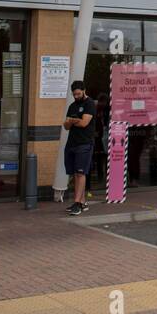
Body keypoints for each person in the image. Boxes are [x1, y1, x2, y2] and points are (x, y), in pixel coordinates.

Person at [62, 81, 96, 215]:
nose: (76, 96)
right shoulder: (72, 106)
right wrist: (71, 121)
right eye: (74, 94)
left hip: (84, 143)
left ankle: (77, 203)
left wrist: (73, 121)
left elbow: (84, 123)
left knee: (81, 173)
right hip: (72, 143)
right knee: (75, 173)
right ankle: (82, 202)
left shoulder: (89, 104)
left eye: (78, 94)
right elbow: (65, 126)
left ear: (84, 90)